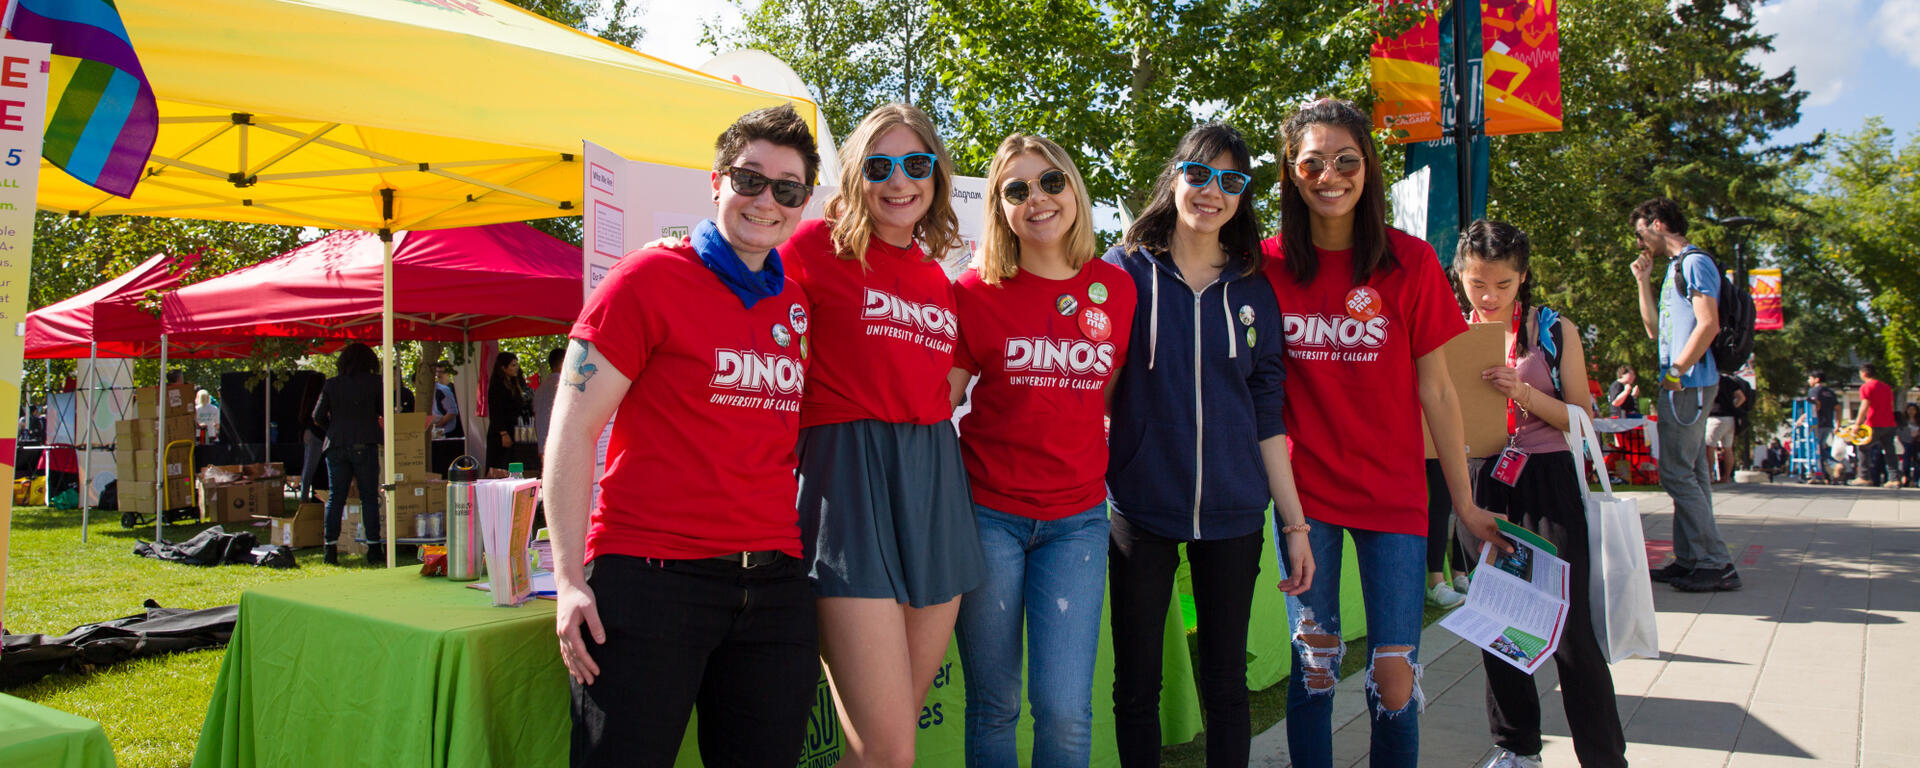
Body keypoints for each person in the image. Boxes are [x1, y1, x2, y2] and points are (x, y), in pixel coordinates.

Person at [547, 104, 821, 767]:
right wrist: (568, 578)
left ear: (804, 203)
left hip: (775, 586)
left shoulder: (796, 302)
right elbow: (573, 429)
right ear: (716, 181)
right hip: (652, 580)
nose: (766, 201)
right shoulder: (647, 279)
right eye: (750, 179)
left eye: (787, 189)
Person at [1262, 98, 1505, 768]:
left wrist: (1462, 503)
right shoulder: (1267, 265)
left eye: (1346, 159)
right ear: (1292, 169)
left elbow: (1439, 391)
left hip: (1394, 496)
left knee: (1395, 679)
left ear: (1367, 166)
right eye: (1312, 161)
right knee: (1315, 668)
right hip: (1305, 500)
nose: (1330, 175)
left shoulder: (1412, 262)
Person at [1103, 121, 1315, 768]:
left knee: (1227, 683)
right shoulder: (1124, 271)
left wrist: (1295, 524)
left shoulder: (1254, 288)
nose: (1211, 191)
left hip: (1233, 512)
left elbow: (1267, 413)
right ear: (1176, 179)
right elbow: (1091, 383)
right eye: (1199, 174)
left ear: (1242, 195)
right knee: (1137, 686)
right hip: (1139, 508)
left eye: (1231, 181)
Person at [783, 102, 986, 768]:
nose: (900, 181)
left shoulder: (936, 277)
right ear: (855, 175)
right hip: (848, 482)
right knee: (887, 752)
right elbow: (741, 309)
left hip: (934, 487)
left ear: (935, 174)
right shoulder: (814, 247)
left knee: (883, 748)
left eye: (916, 165)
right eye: (879, 166)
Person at [947, 134, 1140, 766]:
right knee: (994, 706)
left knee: (1063, 711)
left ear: (1075, 189)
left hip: (1077, 523)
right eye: (1017, 189)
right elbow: (934, 400)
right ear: (1000, 208)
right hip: (986, 518)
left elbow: (1107, 395)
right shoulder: (974, 292)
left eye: (1051, 181)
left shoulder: (1117, 288)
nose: (1038, 199)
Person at [1454, 219, 1627, 768]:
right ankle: (1516, 747)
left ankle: (1602, 755)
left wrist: (1522, 392)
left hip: (1547, 477)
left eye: (1502, 285)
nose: (1488, 297)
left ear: (1523, 279)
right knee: (1497, 619)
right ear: (1459, 275)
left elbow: (1581, 418)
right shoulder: (1450, 330)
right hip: (1481, 479)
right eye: (1476, 283)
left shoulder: (1553, 329)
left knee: (1568, 626)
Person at [1631, 197, 1739, 592]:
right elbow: (1654, 331)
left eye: (1641, 232)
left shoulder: (1694, 263)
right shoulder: (1676, 269)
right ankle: (1692, 558)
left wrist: (1677, 371)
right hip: (1682, 382)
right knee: (1692, 473)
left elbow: (1707, 324)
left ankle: (1715, 562)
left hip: (1688, 383)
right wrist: (1643, 281)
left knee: (1676, 473)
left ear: (1658, 224)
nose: (1639, 241)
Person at [312, 342, 385, 566]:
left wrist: (333, 430)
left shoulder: (332, 384)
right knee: (369, 497)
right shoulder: (375, 383)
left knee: (336, 497)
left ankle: (330, 548)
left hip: (336, 443)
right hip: (365, 441)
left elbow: (317, 416)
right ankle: (373, 548)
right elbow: (385, 411)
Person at [1852, 363, 1897, 488]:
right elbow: (1891, 405)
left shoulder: (1866, 387)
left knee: (1862, 448)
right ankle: (1894, 479)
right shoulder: (1887, 387)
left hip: (1874, 424)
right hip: (1889, 423)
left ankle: (1864, 476)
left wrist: (1857, 423)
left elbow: (1864, 406)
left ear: (1864, 373)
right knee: (1890, 451)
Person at [485, 352, 529, 471]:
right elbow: (496, 412)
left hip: (513, 428)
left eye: (516, 365)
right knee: (500, 464)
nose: (516, 368)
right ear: (503, 368)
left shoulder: (515, 383)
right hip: (500, 432)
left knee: (511, 464)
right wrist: (503, 433)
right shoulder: (497, 386)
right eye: (513, 365)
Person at [1707, 373, 1754, 482]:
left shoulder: (1711, 378)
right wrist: (1733, 406)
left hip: (1716, 417)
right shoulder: (1729, 381)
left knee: (1710, 446)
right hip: (1730, 418)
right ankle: (1727, 477)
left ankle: (1709, 475)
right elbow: (1741, 397)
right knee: (1728, 448)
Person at [1802, 369, 1840, 483]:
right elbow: (1838, 408)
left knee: (1814, 449)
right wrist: (1837, 423)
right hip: (1828, 424)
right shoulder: (1830, 392)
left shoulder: (1814, 391)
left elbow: (1815, 406)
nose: (1808, 380)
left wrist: (1802, 417)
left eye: (1810, 378)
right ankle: (1822, 475)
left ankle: (1834, 465)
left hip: (1816, 424)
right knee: (1819, 448)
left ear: (1816, 379)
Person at [532, 347, 563, 455]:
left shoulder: (541, 388)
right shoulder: (564, 386)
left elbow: (536, 417)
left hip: (544, 444)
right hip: (560, 444)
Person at [431, 361, 464, 440]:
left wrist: (439, 424)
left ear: (448, 373)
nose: (439, 374)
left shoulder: (455, 389)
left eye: (442, 372)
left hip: (454, 430)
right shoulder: (434, 389)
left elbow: (454, 411)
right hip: (438, 430)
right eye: (437, 372)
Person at [1899, 403, 1920, 488]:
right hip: (1906, 443)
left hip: (1917, 443)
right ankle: (1906, 478)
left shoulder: (1918, 421)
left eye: (1913, 410)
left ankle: (1915, 480)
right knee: (1906, 463)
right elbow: (1899, 432)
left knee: (1917, 462)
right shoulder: (1903, 421)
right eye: (1909, 409)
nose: (1911, 412)